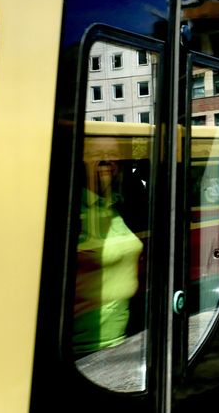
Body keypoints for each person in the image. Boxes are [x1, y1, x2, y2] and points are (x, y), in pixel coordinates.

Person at [73, 137, 143, 356]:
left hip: (119, 338)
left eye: (113, 155)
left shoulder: (113, 204)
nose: (108, 161)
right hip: (85, 347)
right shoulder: (74, 210)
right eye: (98, 156)